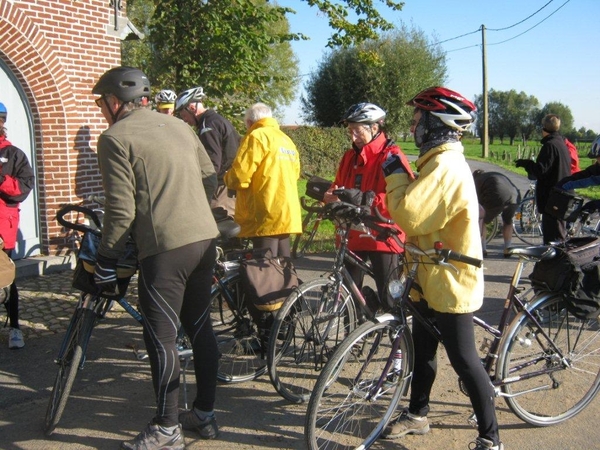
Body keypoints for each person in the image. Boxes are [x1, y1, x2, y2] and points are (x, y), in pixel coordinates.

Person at [92, 66, 220, 450]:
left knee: (160, 338)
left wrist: (105, 261)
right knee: (200, 327)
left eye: (102, 103)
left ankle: (166, 429)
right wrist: (195, 208)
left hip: (165, 249)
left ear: (116, 102)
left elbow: (120, 211)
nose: (101, 110)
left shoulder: (114, 138)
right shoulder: (180, 126)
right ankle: (205, 414)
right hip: (204, 239)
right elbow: (209, 175)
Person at [382, 87, 503, 450]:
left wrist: (393, 173)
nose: (415, 124)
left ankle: (491, 438)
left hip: (451, 282)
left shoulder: (446, 166)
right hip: (429, 275)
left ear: (437, 124)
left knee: (465, 360)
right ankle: (418, 414)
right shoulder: (435, 161)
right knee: (423, 350)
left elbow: (409, 214)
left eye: (420, 118)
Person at [322, 102, 413, 313]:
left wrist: (367, 200)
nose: (353, 137)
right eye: (350, 131)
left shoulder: (391, 157)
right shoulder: (349, 157)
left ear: (375, 127)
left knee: (389, 296)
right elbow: (337, 185)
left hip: (383, 234)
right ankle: (351, 339)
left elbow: (402, 197)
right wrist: (329, 197)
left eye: (357, 130)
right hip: (352, 232)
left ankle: (397, 341)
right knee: (349, 295)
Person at [224, 102, 301, 258]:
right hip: (286, 210)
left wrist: (226, 177)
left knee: (264, 267)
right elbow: (296, 173)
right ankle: (291, 283)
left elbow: (240, 177)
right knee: (283, 264)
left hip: (265, 209)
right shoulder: (286, 140)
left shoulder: (255, 136)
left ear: (249, 123)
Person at [0, 102, 35, 350]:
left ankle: (14, 328)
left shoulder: (14, 155)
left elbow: (22, 189)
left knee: (6, 280)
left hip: (3, 230)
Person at [175, 87, 241, 218]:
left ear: (192, 108)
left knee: (219, 227)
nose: (185, 120)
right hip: (229, 184)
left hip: (220, 188)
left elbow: (211, 165)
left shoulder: (208, 127)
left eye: (184, 115)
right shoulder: (216, 120)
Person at [515, 114, 571, 244]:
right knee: (559, 235)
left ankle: (555, 263)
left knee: (553, 238)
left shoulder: (550, 146)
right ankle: (557, 261)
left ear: (544, 128)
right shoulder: (561, 144)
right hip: (562, 195)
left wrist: (527, 164)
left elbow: (540, 171)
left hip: (553, 198)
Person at [472, 169, 520, 258]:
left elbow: (477, 201)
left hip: (497, 196)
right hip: (514, 196)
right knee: (508, 222)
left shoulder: (477, 181)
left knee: (482, 220)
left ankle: (482, 249)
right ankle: (507, 249)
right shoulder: (491, 174)